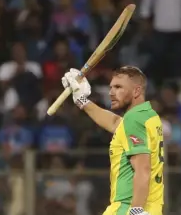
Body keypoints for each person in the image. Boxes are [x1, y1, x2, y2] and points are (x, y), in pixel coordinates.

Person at [61, 66, 164, 215]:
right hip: (152, 207)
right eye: (111, 87)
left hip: (127, 208)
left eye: (118, 87)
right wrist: (81, 100)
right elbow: (115, 123)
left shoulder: (134, 120)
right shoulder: (148, 116)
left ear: (136, 91)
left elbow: (143, 169)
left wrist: (136, 210)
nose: (111, 93)